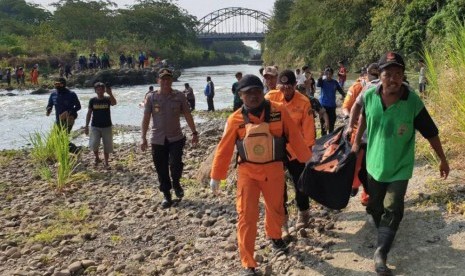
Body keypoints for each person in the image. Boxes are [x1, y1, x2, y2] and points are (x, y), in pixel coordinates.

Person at [352, 52, 449, 276]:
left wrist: (443, 159)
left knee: (393, 207)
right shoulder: (369, 95)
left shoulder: (412, 101)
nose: (393, 79)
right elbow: (364, 117)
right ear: (380, 75)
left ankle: (381, 253)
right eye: (388, 74)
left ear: (403, 76)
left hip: (400, 167)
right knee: (375, 207)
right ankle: (385, 234)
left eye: (398, 74)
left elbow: (431, 132)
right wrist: (356, 142)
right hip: (374, 164)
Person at [209, 74, 311, 276]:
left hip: (274, 170)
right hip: (248, 173)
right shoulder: (235, 119)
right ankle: (248, 262)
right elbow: (224, 149)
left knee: (276, 208)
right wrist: (216, 176)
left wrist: (307, 161)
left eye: (257, 91)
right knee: (246, 216)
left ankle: (274, 236)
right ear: (241, 95)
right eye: (248, 93)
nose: (253, 96)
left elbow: (295, 136)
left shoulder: (279, 111)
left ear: (263, 91)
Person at [265, 70, 316, 237]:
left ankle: (304, 213)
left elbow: (309, 129)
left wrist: (309, 153)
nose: (285, 89)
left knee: (299, 183)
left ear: (295, 85)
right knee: (279, 186)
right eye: (282, 85)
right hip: (276, 151)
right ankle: (283, 218)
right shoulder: (271, 98)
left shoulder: (303, 102)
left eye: (289, 85)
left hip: (297, 150)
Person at [141, 68, 199, 209]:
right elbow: (146, 118)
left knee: (175, 164)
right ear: (158, 81)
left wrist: (194, 132)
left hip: (176, 138)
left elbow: (187, 114)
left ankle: (176, 183)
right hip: (157, 139)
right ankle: (167, 195)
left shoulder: (179, 96)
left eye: (168, 79)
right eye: (163, 79)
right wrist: (143, 137)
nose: (166, 81)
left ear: (172, 80)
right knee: (161, 168)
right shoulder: (151, 97)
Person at [84, 82, 117, 168]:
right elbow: (89, 113)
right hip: (95, 126)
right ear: (95, 91)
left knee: (107, 145)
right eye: (98, 89)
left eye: (101, 89)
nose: (100, 91)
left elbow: (114, 103)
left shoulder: (107, 99)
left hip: (107, 126)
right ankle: (97, 158)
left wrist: (110, 93)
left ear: (104, 90)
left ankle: (106, 162)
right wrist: (86, 126)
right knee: (94, 144)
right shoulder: (92, 100)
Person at [317, 68, 346, 135]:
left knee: (331, 124)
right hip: (323, 106)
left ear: (332, 75)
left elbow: (341, 91)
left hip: (332, 106)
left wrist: (346, 97)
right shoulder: (322, 82)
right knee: (323, 124)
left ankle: (330, 139)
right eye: (327, 74)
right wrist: (320, 76)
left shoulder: (335, 82)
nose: (328, 76)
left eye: (330, 74)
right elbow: (318, 84)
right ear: (325, 74)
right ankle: (323, 139)